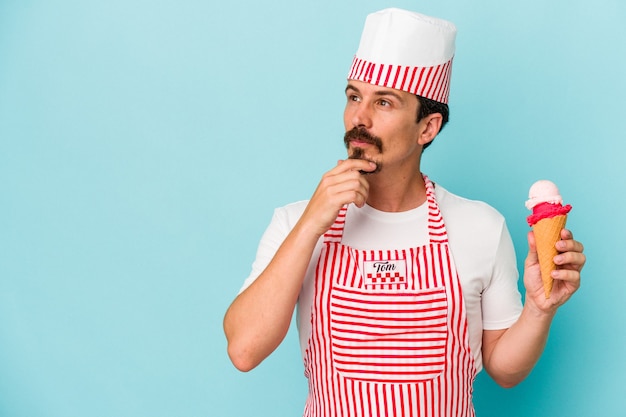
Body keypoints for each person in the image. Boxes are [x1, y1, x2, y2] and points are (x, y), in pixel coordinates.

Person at [223, 8, 585, 417]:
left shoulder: (480, 226)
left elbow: (503, 369)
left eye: (384, 102)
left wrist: (539, 309)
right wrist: (311, 224)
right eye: (354, 96)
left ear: (427, 128)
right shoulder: (294, 222)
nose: (359, 117)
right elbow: (244, 350)